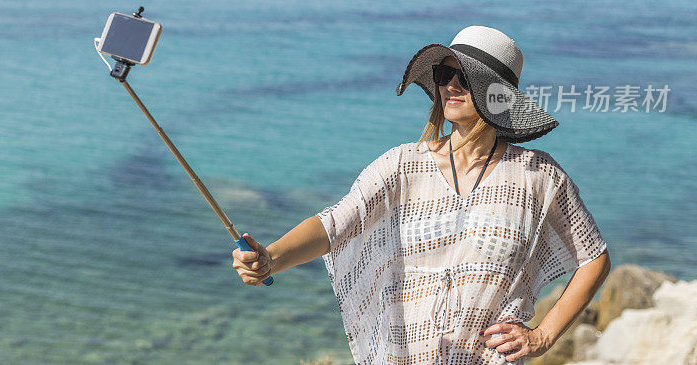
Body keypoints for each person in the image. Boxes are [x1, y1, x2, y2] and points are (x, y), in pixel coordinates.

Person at [231, 25, 611, 365]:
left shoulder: (539, 176)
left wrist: (543, 335)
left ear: (498, 94)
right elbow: (334, 226)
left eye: (467, 77)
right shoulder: (402, 165)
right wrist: (271, 258)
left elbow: (594, 257)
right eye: (446, 74)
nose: (451, 85)